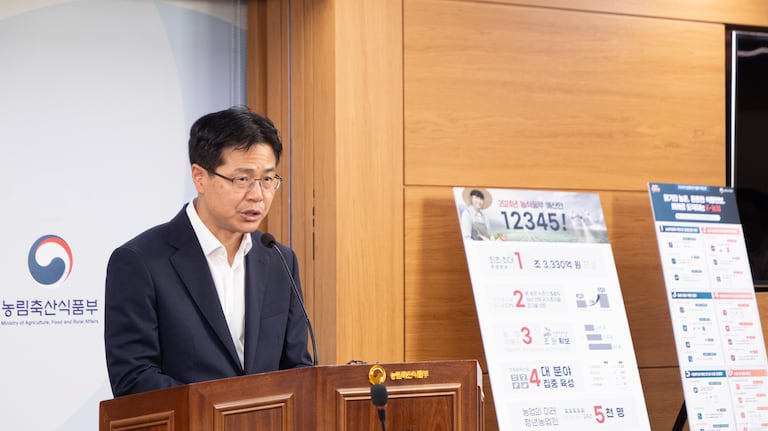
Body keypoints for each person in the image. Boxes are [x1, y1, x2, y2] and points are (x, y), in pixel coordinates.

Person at [104, 106, 312, 397]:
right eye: (242, 179)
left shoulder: (280, 259)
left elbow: (296, 368)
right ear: (200, 177)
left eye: (267, 180)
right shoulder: (141, 261)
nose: (257, 195)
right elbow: (134, 379)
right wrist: (220, 410)